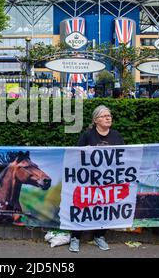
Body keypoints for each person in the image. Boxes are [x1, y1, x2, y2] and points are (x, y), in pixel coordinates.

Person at [69, 105, 125, 253]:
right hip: (88, 179)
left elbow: (124, 156)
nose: (108, 118)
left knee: (106, 208)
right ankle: (75, 237)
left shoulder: (116, 135)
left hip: (108, 180)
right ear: (95, 120)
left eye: (109, 115)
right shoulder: (88, 135)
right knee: (82, 207)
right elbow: (77, 155)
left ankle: (99, 236)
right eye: (104, 116)